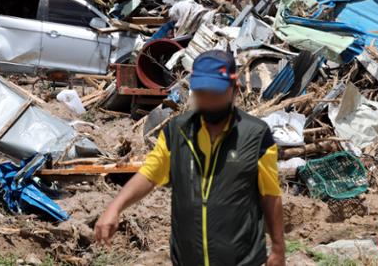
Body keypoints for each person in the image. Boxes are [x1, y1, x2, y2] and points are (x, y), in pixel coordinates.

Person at [95, 50, 286, 266]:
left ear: (235, 90)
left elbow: (270, 195)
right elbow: (149, 175)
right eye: (202, 93)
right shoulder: (177, 132)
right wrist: (115, 207)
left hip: (242, 260)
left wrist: (278, 248)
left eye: (216, 94)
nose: (208, 101)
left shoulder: (256, 135)